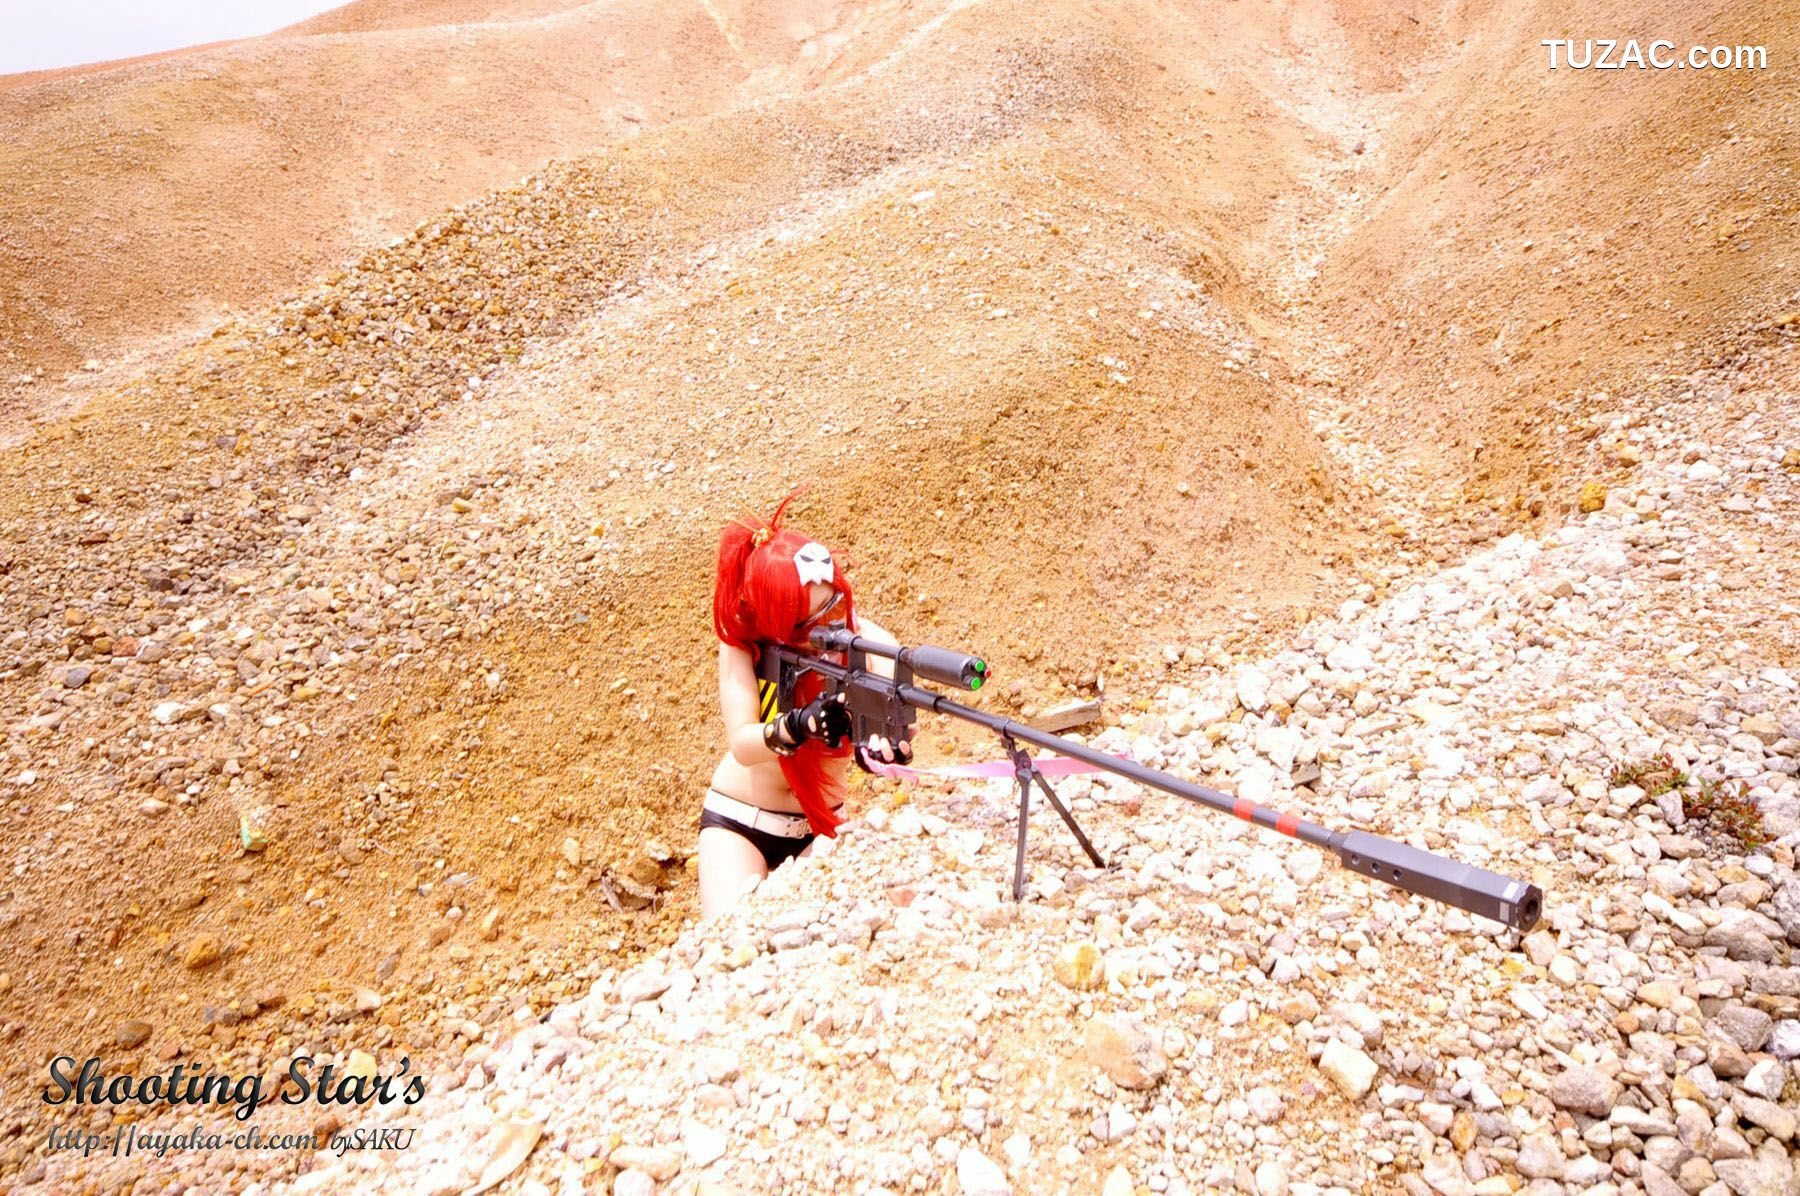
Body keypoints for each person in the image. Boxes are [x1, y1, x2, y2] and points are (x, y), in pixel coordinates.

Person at [700, 492, 913, 919]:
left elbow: (899, 721)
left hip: (823, 826)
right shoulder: (745, 648)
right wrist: (798, 726)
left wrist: (886, 749)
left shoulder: (864, 643)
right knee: (729, 941)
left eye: (834, 604)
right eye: (807, 622)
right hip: (743, 822)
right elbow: (743, 743)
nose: (829, 627)